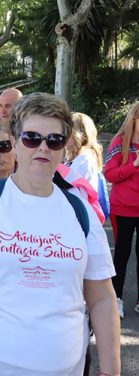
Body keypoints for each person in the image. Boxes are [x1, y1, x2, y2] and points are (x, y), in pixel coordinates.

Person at [0, 92, 120, 376]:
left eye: (54, 140)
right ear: (16, 142)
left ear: (64, 146)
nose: (42, 148)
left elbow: (102, 297)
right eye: (32, 138)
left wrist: (111, 368)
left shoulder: (79, 210)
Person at [104, 101, 139, 319]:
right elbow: (110, 174)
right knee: (122, 255)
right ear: (134, 119)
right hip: (123, 209)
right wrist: (133, 165)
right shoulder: (120, 142)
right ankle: (116, 299)